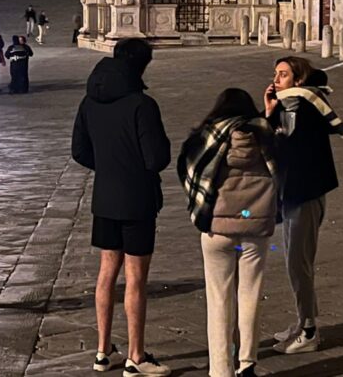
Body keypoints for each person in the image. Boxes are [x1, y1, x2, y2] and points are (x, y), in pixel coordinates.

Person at [71, 38, 172, 377]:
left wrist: (108, 165)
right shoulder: (141, 105)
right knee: (136, 279)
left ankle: (102, 352)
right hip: (137, 199)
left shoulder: (89, 100)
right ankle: (136, 356)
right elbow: (156, 158)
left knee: (105, 274)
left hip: (104, 197)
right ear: (141, 65)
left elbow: (79, 151)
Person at [177, 88, 278, 377]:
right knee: (250, 296)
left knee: (219, 299)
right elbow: (285, 167)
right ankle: (247, 363)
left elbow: (186, 168)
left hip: (217, 229)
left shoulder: (206, 137)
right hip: (255, 227)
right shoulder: (266, 135)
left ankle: (221, 369)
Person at [263, 56, 343, 355]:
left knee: (298, 262)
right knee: (296, 261)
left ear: (298, 80)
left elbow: (286, 147)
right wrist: (271, 111)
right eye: (275, 74)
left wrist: (273, 115)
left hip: (304, 193)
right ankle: (302, 321)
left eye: (283, 75)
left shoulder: (307, 107)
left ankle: (309, 329)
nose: (276, 80)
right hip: (294, 193)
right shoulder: (291, 107)